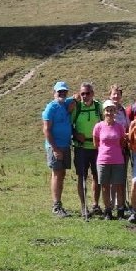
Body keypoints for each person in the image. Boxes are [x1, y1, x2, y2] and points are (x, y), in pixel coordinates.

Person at [42, 81, 75, 217]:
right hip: (55, 146)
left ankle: (59, 203)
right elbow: (46, 130)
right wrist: (55, 148)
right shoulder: (51, 108)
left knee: (62, 174)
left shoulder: (65, 104)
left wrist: (76, 97)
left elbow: (76, 98)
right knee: (56, 174)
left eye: (64, 92)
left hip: (65, 145)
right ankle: (56, 206)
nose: (61, 94)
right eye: (59, 91)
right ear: (54, 92)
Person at [72, 82, 103, 217]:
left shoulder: (98, 106)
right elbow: (69, 124)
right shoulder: (77, 107)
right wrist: (75, 134)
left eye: (87, 93)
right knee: (82, 177)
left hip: (97, 147)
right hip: (81, 147)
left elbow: (104, 122)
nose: (85, 96)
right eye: (82, 93)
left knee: (97, 177)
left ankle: (95, 205)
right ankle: (83, 207)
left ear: (93, 93)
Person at [93, 99, 127, 220]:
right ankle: (108, 210)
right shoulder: (98, 126)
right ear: (104, 112)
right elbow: (96, 143)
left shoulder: (119, 127)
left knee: (119, 186)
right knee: (105, 186)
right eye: (107, 110)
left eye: (112, 110)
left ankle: (120, 210)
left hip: (118, 159)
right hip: (103, 160)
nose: (109, 113)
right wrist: (104, 152)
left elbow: (123, 142)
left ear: (115, 112)